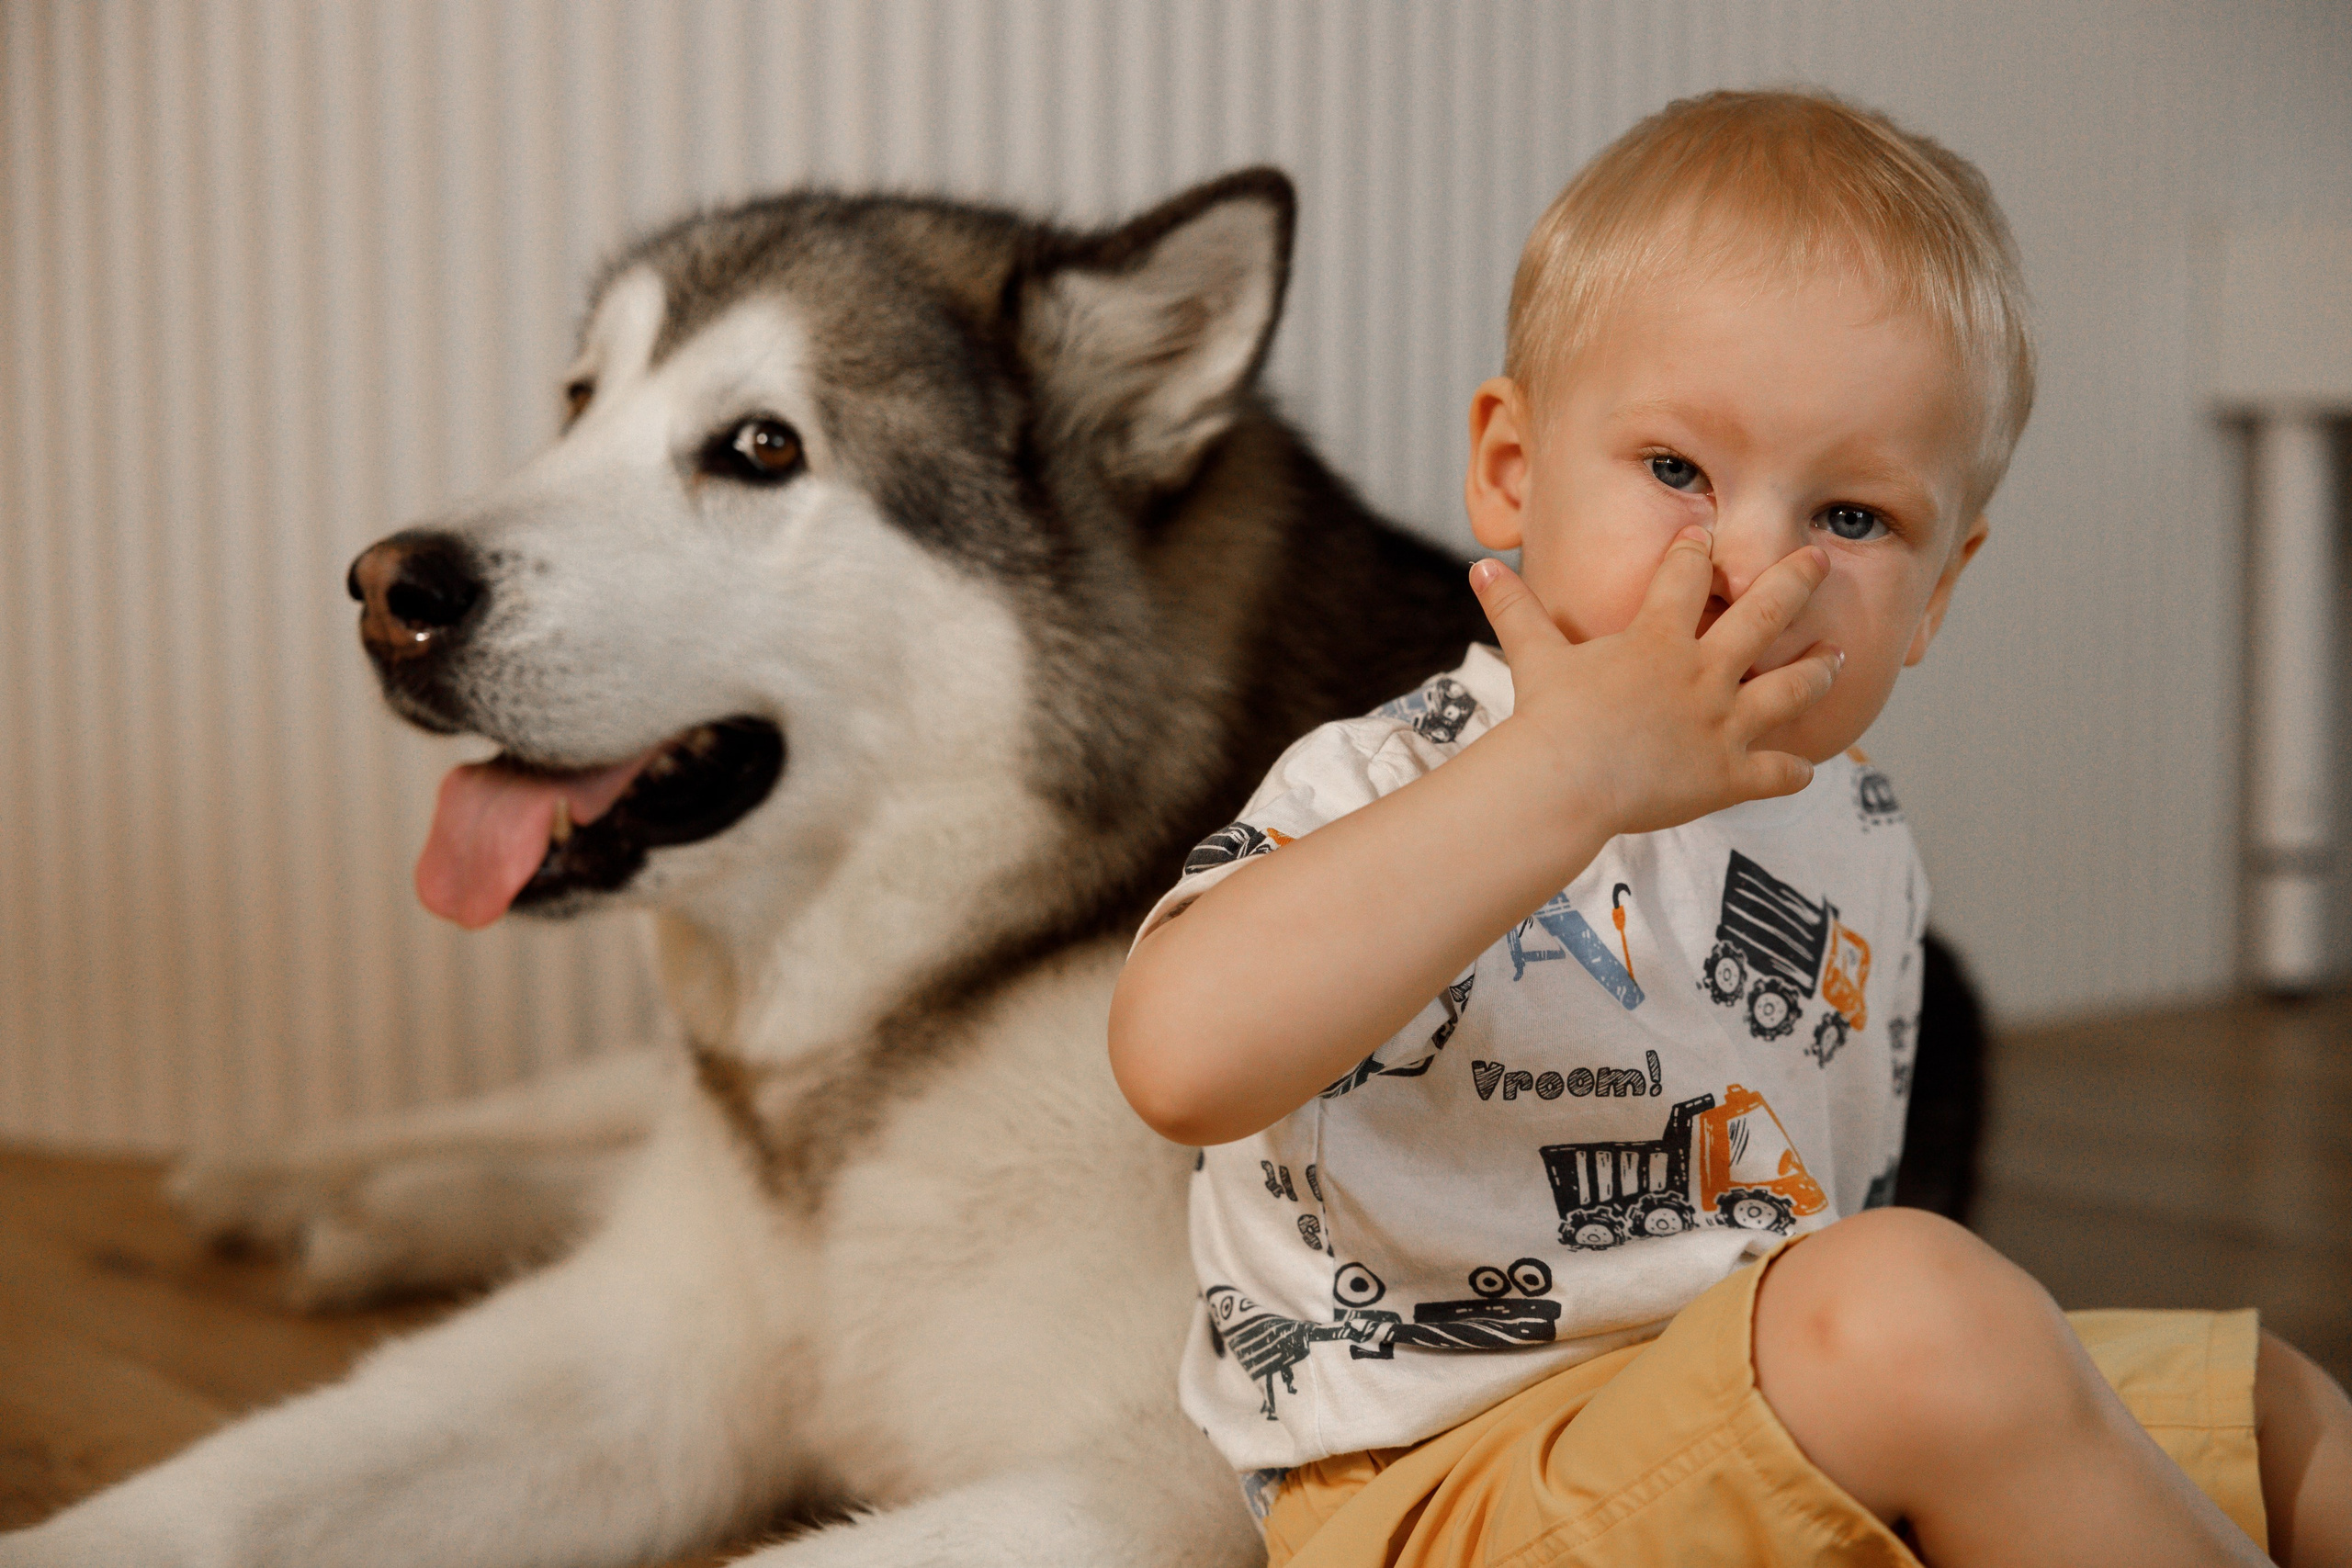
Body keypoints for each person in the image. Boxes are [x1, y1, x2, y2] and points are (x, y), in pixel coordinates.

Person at [1107, 89, 2351, 1568]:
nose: (1754, 557)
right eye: (1679, 472)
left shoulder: (1849, 813)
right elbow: (1177, 1061)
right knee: (1920, 1312)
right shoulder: (1404, 775)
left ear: (1940, 592)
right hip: (1440, 1491)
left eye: (1853, 519)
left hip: (1728, 1414)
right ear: (1512, 472)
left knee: (2262, 1407)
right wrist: (1565, 776)